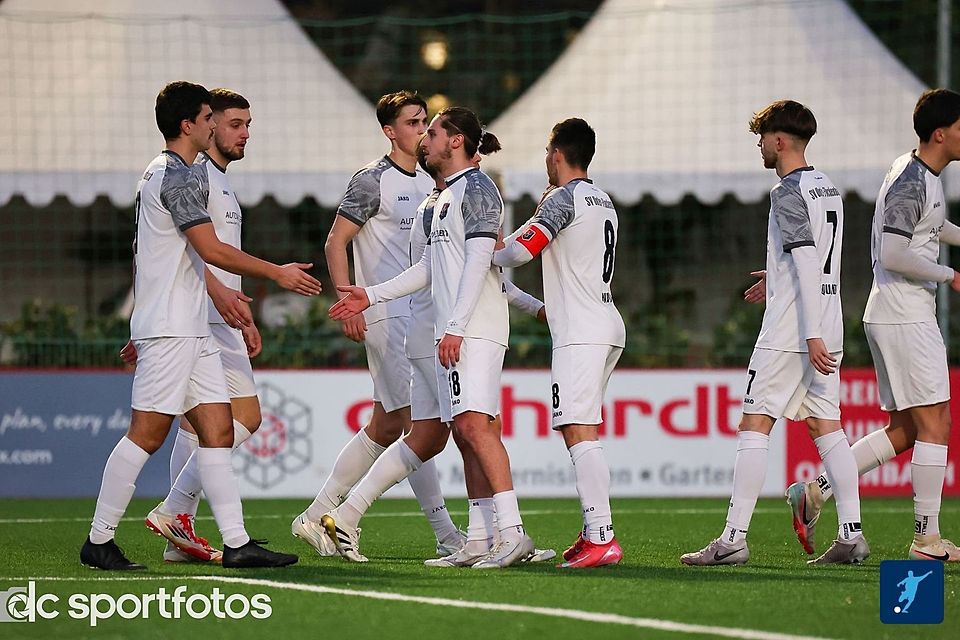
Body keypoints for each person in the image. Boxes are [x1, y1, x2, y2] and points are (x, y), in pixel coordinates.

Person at [79, 81, 320, 570]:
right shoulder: (177, 175)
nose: (215, 126)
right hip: (171, 329)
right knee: (145, 436)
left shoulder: (171, 172)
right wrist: (278, 272)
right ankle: (99, 540)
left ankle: (236, 544)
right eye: (211, 118)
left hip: (188, 328)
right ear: (189, 124)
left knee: (218, 432)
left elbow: (146, 253)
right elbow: (210, 251)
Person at [316, 139, 550, 565]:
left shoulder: (434, 202)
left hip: (423, 331)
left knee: (430, 436)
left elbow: (458, 270)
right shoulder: (461, 196)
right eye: (419, 126)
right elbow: (482, 270)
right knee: (477, 430)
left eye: (431, 127)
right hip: (448, 332)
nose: (480, 159)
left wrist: (369, 294)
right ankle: (507, 534)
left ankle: (349, 514)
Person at [681, 99, 867, 566]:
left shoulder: (786, 191)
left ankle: (733, 539)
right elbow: (817, 258)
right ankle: (851, 534)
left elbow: (806, 257)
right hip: (828, 320)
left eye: (762, 139)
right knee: (828, 429)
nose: (760, 147)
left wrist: (807, 334)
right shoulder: (829, 188)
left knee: (754, 425)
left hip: (793, 330)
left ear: (780, 141)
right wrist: (775, 274)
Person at [791, 89, 960, 563]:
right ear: (941, 133)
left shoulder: (915, 172)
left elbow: (928, 226)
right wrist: (950, 274)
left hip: (894, 311)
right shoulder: (913, 179)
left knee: (906, 429)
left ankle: (816, 492)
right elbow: (893, 252)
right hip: (904, 312)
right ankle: (927, 541)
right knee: (937, 422)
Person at [293, 91, 461, 557]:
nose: (422, 129)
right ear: (389, 131)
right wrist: (351, 303)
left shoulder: (431, 182)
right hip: (387, 315)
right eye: (412, 122)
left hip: (417, 316)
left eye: (425, 121)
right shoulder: (373, 180)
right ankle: (447, 537)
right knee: (418, 426)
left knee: (387, 425)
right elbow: (335, 242)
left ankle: (315, 515)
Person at [120, 89, 266, 564]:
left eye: (247, 124)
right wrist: (223, 295)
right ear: (204, 126)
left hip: (211, 316)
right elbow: (180, 251)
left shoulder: (215, 179)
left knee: (214, 422)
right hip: (195, 316)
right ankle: (175, 515)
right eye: (232, 123)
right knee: (228, 421)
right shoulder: (190, 174)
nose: (244, 132)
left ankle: (181, 527)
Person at [491, 118, 624, 569]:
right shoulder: (601, 199)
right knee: (582, 428)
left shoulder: (562, 198)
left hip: (582, 332)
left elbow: (520, 252)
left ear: (556, 154)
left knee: (579, 431)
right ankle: (593, 532)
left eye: (548, 151)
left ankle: (602, 537)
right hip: (603, 321)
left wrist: (482, 250)